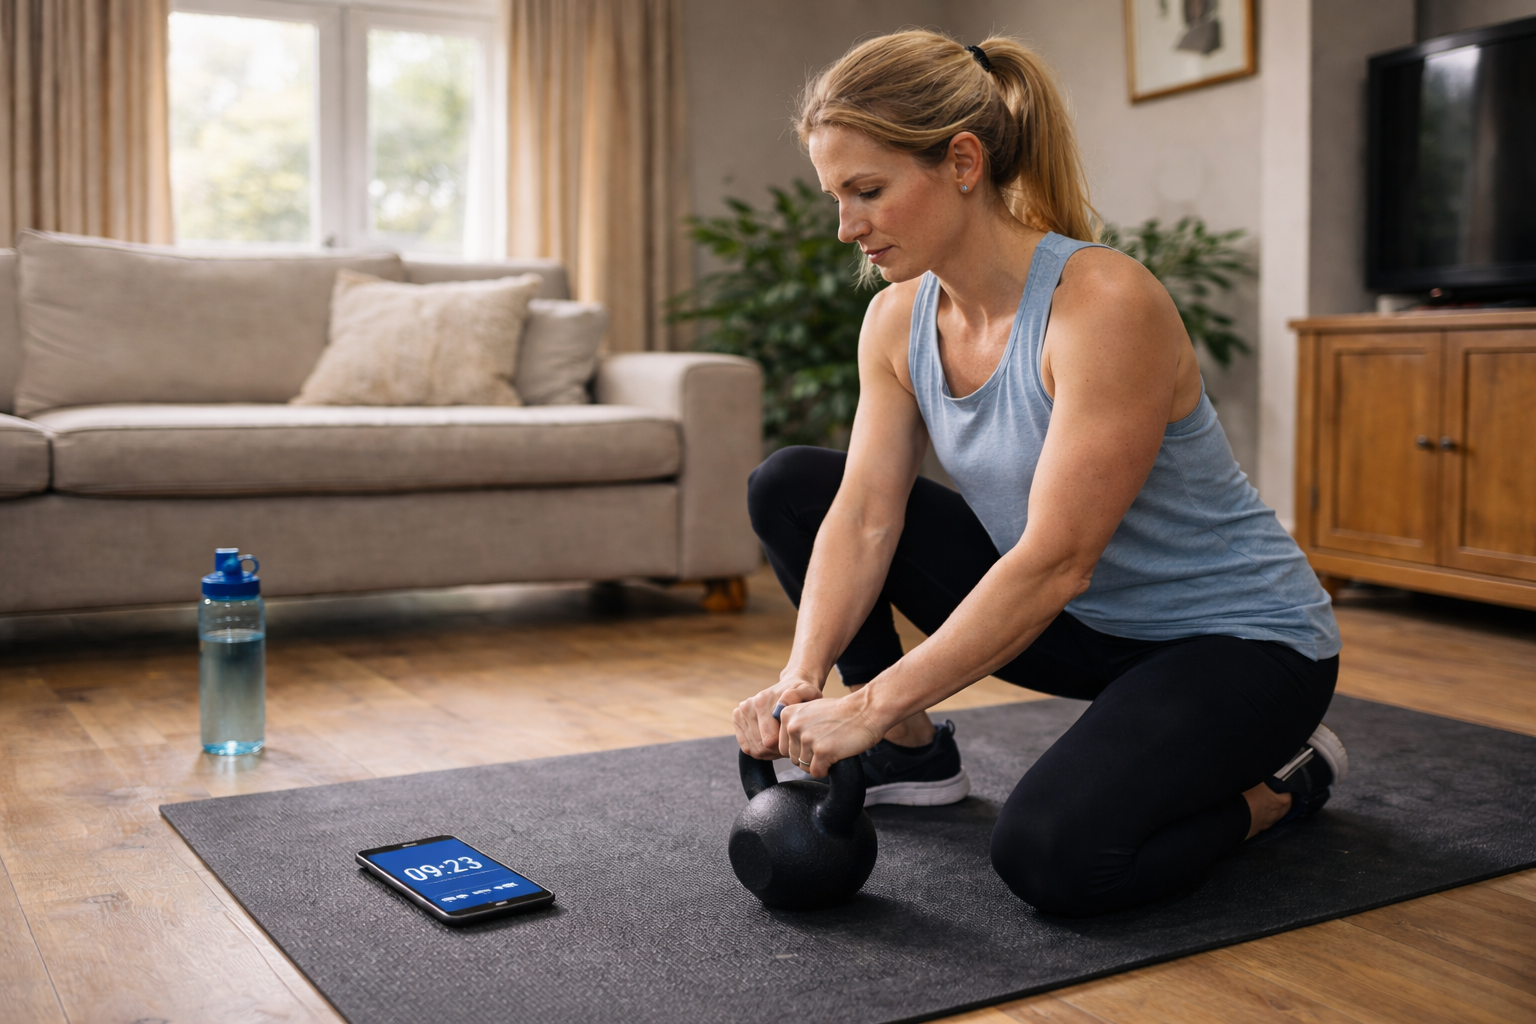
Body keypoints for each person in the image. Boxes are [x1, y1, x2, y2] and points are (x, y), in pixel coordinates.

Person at [732, 30, 1346, 918]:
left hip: (1237, 644)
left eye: (868, 191)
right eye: (837, 197)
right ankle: (910, 751)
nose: (846, 227)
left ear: (963, 162)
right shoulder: (896, 320)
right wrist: (804, 678)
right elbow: (865, 516)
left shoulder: (1102, 306)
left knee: (1053, 859)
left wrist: (862, 704)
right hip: (1078, 624)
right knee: (793, 483)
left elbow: (1057, 559)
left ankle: (1283, 786)